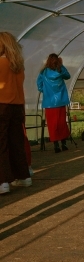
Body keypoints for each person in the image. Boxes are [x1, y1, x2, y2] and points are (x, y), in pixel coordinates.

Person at [0, 32, 31, 194]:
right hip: (16, 106)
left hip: (1, 106)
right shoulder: (18, 65)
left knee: (1, 144)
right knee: (17, 143)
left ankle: (2, 181)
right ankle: (24, 177)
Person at [37, 53, 71, 153]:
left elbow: (39, 84)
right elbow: (68, 76)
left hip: (49, 103)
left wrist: (45, 91)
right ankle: (64, 144)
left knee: (52, 124)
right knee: (62, 123)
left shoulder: (43, 72)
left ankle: (56, 145)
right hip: (60, 101)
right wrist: (61, 65)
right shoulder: (60, 70)